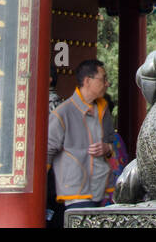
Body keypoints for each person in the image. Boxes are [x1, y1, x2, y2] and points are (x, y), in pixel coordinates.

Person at [48, 59, 115, 218]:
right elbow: (47, 150)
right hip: (76, 192)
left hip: (101, 189)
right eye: (103, 79)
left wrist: (107, 148)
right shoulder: (62, 113)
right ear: (87, 81)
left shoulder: (103, 109)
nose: (107, 84)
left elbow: (110, 144)